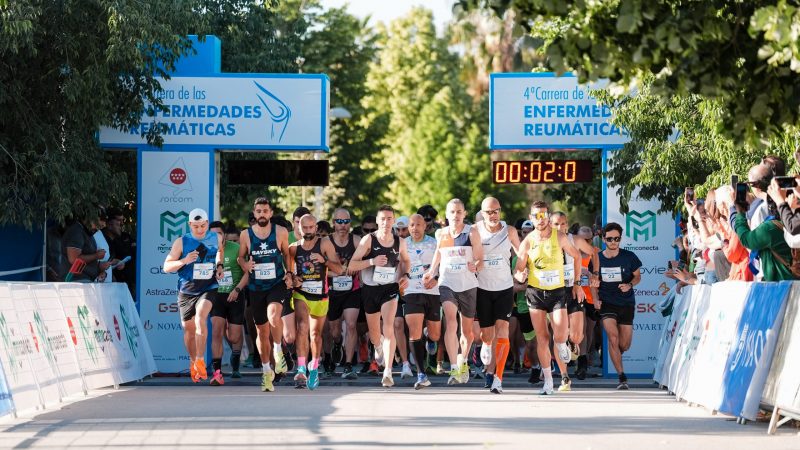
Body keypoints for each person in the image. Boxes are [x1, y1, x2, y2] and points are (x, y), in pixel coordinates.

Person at [513, 201, 584, 395]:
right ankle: (548, 381)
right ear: (531, 218)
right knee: (542, 339)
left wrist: (577, 283)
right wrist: (520, 274)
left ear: (548, 216)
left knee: (559, 335)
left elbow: (577, 257)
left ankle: (562, 345)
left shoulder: (559, 236)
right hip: (535, 293)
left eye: (544, 215)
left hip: (557, 291)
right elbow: (519, 267)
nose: (540, 219)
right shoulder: (527, 241)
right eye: (536, 216)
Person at [423, 199, 484, 385]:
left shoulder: (472, 232)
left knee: (467, 331)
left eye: (459, 212)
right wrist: (431, 272)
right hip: (447, 282)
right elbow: (438, 254)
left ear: (464, 214)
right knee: (450, 322)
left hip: (467, 284)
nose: (455, 215)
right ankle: (454, 368)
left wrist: (476, 265)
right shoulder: (441, 233)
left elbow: (480, 257)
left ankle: (463, 360)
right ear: (446, 214)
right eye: (452, 212)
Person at [349, 205, 411, 387]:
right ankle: (378, 346)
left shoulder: (400, 242)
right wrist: (371, 261)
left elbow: (406, 260)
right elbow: (352, 265)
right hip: (370, 289)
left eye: (389, 219)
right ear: (377, 221)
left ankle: (388, 371)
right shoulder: (369, 240)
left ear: (393, 220)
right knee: (375, 335)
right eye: (382, 219)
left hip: (389, 288)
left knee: (389, 327)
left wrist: (405, 275)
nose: (386, 222)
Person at [237, 198, 294, 392]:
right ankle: (266, 371)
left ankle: (278, 351)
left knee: (273, 315)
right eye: (258, 211)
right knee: (261, 332)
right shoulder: (245, 235)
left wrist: (289, 273)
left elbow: (287, 254)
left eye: (265, 211)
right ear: (254, 213)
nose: (261, 214)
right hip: (255, 287)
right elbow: (240, 257)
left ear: (271, 213)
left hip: (276, 283)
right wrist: (244, 265)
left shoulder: (280, 231)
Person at [163, 208, 224, 383]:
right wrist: (184, 260)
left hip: (208, 287)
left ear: (207, 223)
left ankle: (200, 360)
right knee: (189, 331)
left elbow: (220, 252)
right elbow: (166, 267)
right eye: (196, 226)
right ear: (190, 224)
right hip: (187, 290)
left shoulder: (216, 237)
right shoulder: (181, 242)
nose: (200, 229)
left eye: (203, 225)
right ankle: (193, 361)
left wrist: (219, 267)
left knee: (201, 318)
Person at [288, 214, 343, 390]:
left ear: (316, 227)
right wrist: (294, 279)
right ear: (298, 228)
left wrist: (324, 261)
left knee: (315, 334)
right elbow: (289, 274)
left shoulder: (325, 244)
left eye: (311, 227)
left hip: (320, 296)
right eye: (304, 228)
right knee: (302, 326)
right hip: (301, 294)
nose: (308, 231)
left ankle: (314, 366)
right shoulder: (293, 248)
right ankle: (301, 367)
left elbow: (339, 269)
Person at [475, 197, 520, 394]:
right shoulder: (474, 231)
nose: (493, 215)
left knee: (503, 330)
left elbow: (521, 252)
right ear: (482, 213)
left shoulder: (509, 231)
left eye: (496, 211)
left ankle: (498, 378)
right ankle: (485, 345)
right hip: (482, 288)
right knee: (487, 335)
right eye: (489, 212)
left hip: (504, 288)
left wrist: (521, 270)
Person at [549, 212, 599, 391]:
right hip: (553, 291)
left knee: (577, 336)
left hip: (573, 289)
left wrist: (594, 273)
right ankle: (564, 377)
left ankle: (572, 343)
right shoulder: (543, 241)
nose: (559, 227)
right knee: (558, 335)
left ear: (567, 225)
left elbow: (593, 253)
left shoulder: (574, 239)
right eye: (555, 224)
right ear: (549, 224)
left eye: (562, 224)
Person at [592, 222, 642, 390]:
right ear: (603, 239)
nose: (613, 242)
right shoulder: (597, 258)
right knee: (612, 338)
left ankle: (616, 353)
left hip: (626, 302)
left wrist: (629, 285)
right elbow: (593, 282)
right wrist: (595, 299)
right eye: (610, 239)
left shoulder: (629, 256)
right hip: (607, 302)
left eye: (617, 239)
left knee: (624, 345)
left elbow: (637, 277)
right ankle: (622, 376)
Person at [403, 214, 442, 389]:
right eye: (412, 225)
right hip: (412, 290)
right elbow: (399, 265)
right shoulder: (403, 243)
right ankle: (421, 373)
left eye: (418, 224)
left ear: (425, 226)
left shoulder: (434, 243)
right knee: (414, 331)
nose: (415, 228)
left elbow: (444, 263)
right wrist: (400, 280)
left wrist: (437, 278)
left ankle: (430, 339)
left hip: (432, 290)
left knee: (435, 334)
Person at [207, 222, 248, 385]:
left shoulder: (236, 248)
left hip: (235, 295)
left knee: (234, 336)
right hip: (217, 296)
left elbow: (248, 273)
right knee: (217, 331)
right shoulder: (206, 250)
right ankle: (217, 373)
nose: (215, 237)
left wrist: (237, 289)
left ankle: (236, 362)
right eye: (212, 234)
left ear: (224, 235)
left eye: (218, 233)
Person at [326, 208, 363, 380]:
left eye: (345, 222)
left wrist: (356, 274)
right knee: (334, 331)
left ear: (350, 223)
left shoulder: (357, 241)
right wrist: (337, 273)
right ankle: (337, 344)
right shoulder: (326, 242)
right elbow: (319, 269)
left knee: (350, 325)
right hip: (332, 291)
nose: (342, 225)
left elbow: (363, 263)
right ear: (333, 223)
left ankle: (348, 365)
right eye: (339, 222)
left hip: (352, 290)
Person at [62, 212, 114, 282]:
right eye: (102, 219)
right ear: (91, 217)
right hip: (77, 282)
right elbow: (73, 259)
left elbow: (85, 262)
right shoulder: (76, 231)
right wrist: (96, 255)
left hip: (87, 280)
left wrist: (99, 267)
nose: (104, 224)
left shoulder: (87, 232)